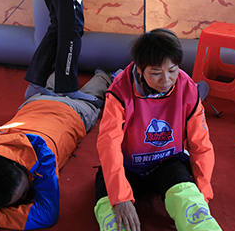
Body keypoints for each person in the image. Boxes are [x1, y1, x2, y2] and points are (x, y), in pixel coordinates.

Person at [0, 70, 112, 231]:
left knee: (96, 86)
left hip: (76, 111)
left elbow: (47, 214)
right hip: (38, 101)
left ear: (23, 169)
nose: (26, 197)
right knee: (59, 78)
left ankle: (103, 75)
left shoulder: (43, 156)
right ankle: (69, 70)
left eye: (23, 194)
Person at [94, 29, 221, 231]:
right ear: (139, 69)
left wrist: (202, 196)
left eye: (172, 70)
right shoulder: (119, 91)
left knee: (194, 209)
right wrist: (119, 198)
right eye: (155, 73)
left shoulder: (188, 88)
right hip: (126, 167)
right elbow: (109, 144)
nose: (166, 80)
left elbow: (201, 144)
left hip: (167, 164)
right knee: (113, 220)